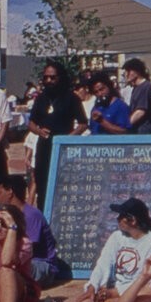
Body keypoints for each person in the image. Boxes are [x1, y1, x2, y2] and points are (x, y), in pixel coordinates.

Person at [52, 197, 151, 302]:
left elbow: (143, 278)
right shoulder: (117, 237)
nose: (118, 219)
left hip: (139, 290)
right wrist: (93, 285)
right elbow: (103, 263)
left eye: (121, 216)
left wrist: (114, 292)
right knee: (95, 297)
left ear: (132, 220)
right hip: (117, 288)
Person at [26, 62, 86, 208]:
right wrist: (38, 131)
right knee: (42, 184)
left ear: (60, 77)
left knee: (62, 185)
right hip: (44, 147)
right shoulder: (41, 98)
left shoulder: (71, 98)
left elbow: (83, 124)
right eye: (46, 78)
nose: (49, 81)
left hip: (63, 148)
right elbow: (31, 123)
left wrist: (67, 138)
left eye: (52, 78)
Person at [0, 176, 65, 289]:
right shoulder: (3, 214)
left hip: (40, 265)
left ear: (9, 192)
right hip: (22, 261)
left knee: (7, 269)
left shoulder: (31, 215)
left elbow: (28, 248)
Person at [119, 58, 151, 134]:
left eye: (129, 71)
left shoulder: (146, 87)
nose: (126, 74)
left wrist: (126, 125)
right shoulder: (135, 88)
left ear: (137, 72)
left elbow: (140, 112)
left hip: (144, 132)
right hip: (136, 131)